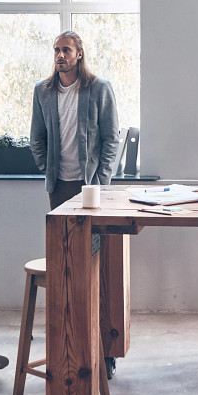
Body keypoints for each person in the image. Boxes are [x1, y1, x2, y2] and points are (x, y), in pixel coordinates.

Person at [29, 30, 122, 375]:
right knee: (64, 265)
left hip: (90, 190)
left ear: (79, 54)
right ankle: (68, 344)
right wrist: (47, 169)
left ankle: (104, 352)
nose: (60, 55)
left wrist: (102, 184)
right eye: (56, 49)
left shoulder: (99, 89)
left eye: (66, 49)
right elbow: (36, 139)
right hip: (59, 189)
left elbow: (112, 138)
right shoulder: (43, 91)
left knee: (93, 265)